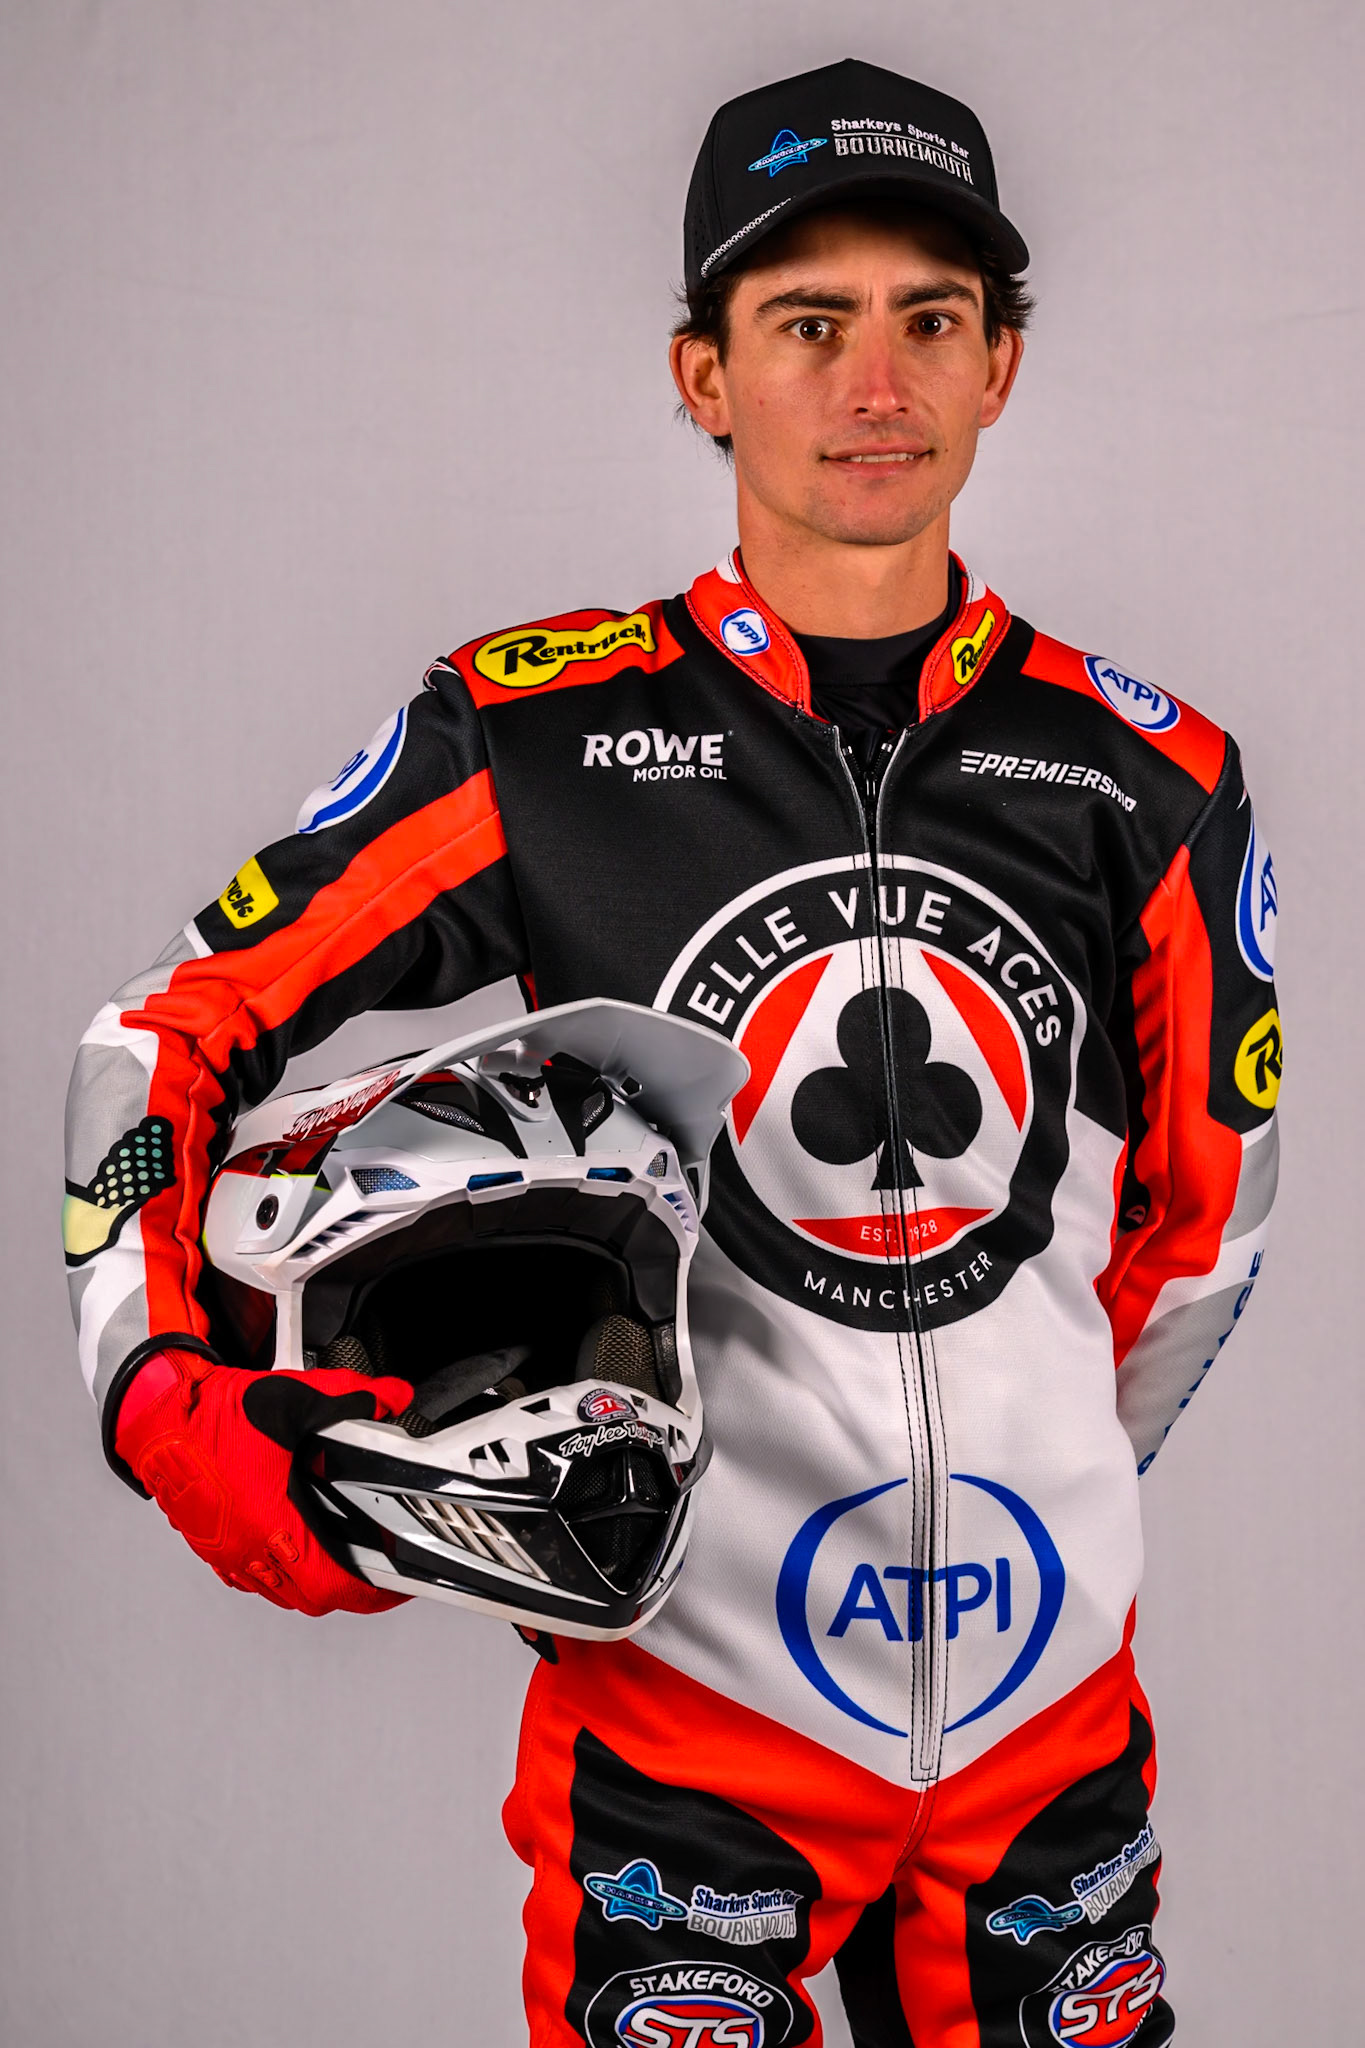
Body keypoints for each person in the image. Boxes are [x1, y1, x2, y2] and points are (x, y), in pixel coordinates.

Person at [63, 56, 1281, 2048]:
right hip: (687, 1746)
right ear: (699, 373)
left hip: (1050, 1743)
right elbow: (155, 1043)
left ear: (999, 368)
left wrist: (1021, 1491)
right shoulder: (530, 739)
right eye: (805, 325)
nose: (870, 385)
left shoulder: (1150, 779)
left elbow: (1200, 1247)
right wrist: (155, 1388)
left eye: (926, 323)